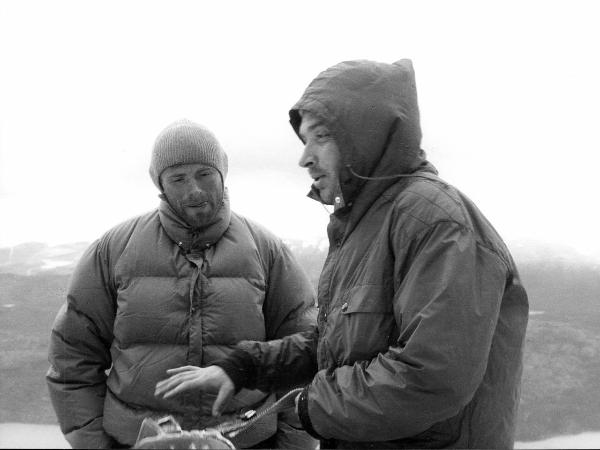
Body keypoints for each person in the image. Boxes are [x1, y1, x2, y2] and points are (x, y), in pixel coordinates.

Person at [155, 60, 530, 449]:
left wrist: (309, 406)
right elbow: (336, 342)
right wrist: (244, 366)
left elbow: (431, 376)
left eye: (321, 137)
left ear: (363, 137)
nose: (304, 158)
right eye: (304, 140)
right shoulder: (363, 225)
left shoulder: (435, 222)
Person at [46, 119, 317, 449]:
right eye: (178, 178)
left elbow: (302, 357)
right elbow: (72, 358)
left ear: (222, 175)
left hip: (248, 440)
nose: (194, 190)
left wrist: (292, 445)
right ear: (160, 184)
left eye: (205, 174)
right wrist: (95, 444)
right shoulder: (114, 250)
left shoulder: (266, 251)